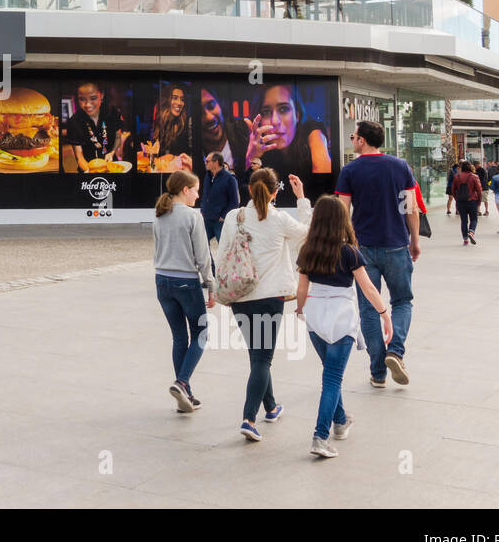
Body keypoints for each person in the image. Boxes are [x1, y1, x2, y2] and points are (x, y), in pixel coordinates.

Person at [215, 167, 312, 442]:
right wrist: (302, 198)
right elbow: (306, 233)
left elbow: (221, 254)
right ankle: (248, 418)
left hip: (240, 296)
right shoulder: (278, 219)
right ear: (274, 191)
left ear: (249, 189)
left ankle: (271, 407)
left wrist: (218, 289)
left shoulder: (234, 216)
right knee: (262, 358)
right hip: (270, 298)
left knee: (257, 356)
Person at [295, 196, 393, 459]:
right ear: (342, 220)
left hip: (315, 317)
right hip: (341, 317)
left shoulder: (307, 251)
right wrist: (384, 314)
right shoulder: (349, 252)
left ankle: (340, 420)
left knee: (329, 374)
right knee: (332, 378)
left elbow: (301, 289)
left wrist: (301, 310)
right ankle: (320, 435)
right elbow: (368, 288)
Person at [335, 119, 420, 389]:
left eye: (353, 136)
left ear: (362, 140)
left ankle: (378, 372)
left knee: (369, 309)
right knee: (402, 301)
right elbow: (411, 208)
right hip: (396, 244)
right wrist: (414, 241)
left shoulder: (349, 170)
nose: (352, 139)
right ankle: (395, 350)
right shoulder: (400, 166)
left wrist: (345, 244)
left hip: (363, 250)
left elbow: (342, 212)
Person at [153, 170, 215, 413]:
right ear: (185, 190)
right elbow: (203, 256)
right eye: (196, 190)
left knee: (179, 337)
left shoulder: (159, 215)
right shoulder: (192, 216)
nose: (198, 195)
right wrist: (211, 285)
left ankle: (185, 394)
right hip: (185, 283)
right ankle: (182, 382)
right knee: (201, 333)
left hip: (161, 281)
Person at [244, 83, 333, 181]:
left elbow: (325, 182)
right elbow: (250, 192)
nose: (275, 121)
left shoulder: (312, 132)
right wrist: (252, 158)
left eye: (283, 109)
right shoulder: (256, 147)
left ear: (297, 115)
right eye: (266, 112)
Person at [65, 80, 131, 172]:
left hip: (112, 165)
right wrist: (93, 173)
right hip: (87, 168)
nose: (87, 105)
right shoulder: (73, 122)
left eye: (93, 98)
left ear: (102, 95)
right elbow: (79, 157)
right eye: (82, 99)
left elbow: (117, 137)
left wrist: (111, 153)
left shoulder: (113, 112)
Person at [200, 86, 250, 182]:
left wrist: (252, 157)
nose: (209, 118)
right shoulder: (191, 152)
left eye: (211, 106)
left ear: (220, 105)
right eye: (200, 113)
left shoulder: (242, 135)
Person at [200, 152, 239, 245]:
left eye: (207, 161)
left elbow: (234, 202)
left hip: (220, 222)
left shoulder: (230, 178)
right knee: (202, 245)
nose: (205, 163)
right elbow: (205, 195)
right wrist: (203, 209)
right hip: (206, 219)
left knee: (224, 248)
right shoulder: (208, 176)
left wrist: (223, 217)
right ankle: (210, 261)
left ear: (216, 162)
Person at [150, 84, 194, 159]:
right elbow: (155, 152)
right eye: (175, 98)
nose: (179, 103)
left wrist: (172, 157)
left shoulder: (189, 123)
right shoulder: (160, 122)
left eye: (182, 99)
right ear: (167, 100)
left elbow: (194, 156)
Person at [452, 161, 482, 246]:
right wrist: (479, 202)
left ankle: (465, 240)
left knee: (464, 221)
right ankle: (471, 232)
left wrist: (457, 199)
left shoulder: (456, 176)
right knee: (474, 219)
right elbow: (479, 190)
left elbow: (453, 190)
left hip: (461, 202)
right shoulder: (474, 177)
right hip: (472, 201)